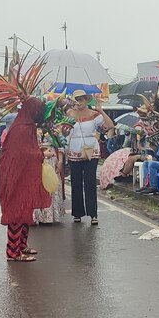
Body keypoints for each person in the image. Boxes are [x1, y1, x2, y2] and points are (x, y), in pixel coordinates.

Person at [0, 97, 51, 262]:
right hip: (15, 176)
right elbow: (23, 154)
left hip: (24, 175)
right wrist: (41, 154)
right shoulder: (21, 128)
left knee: (26, 208)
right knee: (17, 210)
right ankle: (13, 252)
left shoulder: (27, 126)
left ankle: (22, 245)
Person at [66, 90, 113, 225]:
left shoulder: (94, 115)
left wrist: (101, 110)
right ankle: (77, 213)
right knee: (76, 182)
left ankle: (93, 214)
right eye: (77, 99)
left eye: (81, 99)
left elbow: (109, 126)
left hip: (90, 151)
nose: (79, 102)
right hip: (74, 151)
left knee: (90, 182)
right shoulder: (69, 114)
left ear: (86, 100)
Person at [33, 143, 65, 224]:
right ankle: (36, 216)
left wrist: (60, 161)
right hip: (35, 158)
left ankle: (48, 216)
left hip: (51, 160)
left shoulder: (53, 134)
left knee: (49, 185)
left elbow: (60, 143)